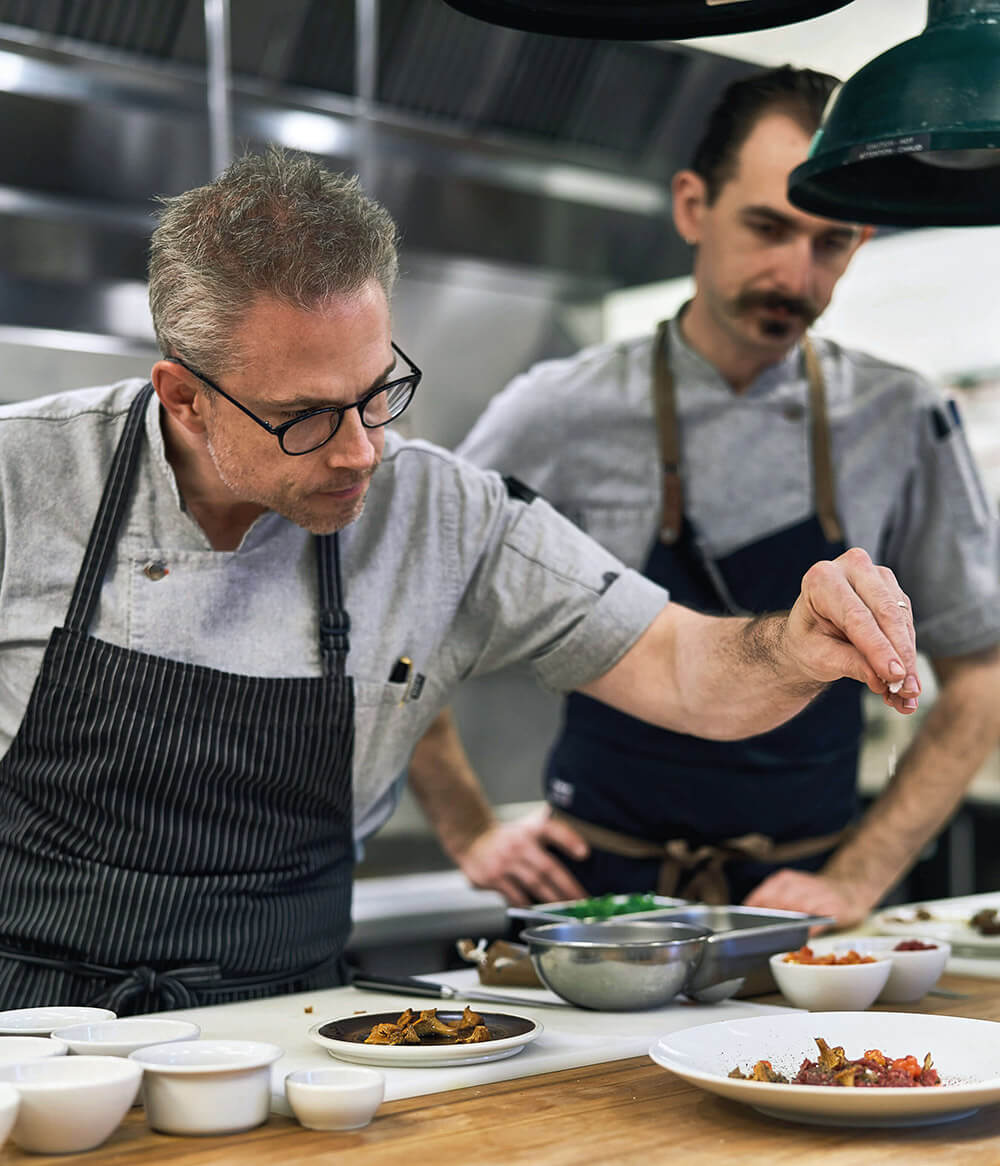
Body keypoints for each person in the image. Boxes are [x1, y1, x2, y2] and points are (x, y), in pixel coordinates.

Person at [0, 148, 917, 1015]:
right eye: (306, 418)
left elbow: (686, 669)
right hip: (25, 1035)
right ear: (185, 395)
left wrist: (792, 646)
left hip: (284, 1033)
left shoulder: (442, 513)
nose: (361, 452)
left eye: (375, 393)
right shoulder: (22, 475)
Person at [409, 66, 1000, 923]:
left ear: (861, 239)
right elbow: (408, 611)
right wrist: (467, 827)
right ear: (693, 207)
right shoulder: (560, 408)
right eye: (768, 227)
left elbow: (979, 678)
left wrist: (861, 875)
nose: (794, 276)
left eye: (828, 243)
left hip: (804, 920)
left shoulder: (904, 418)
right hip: (599, 911)